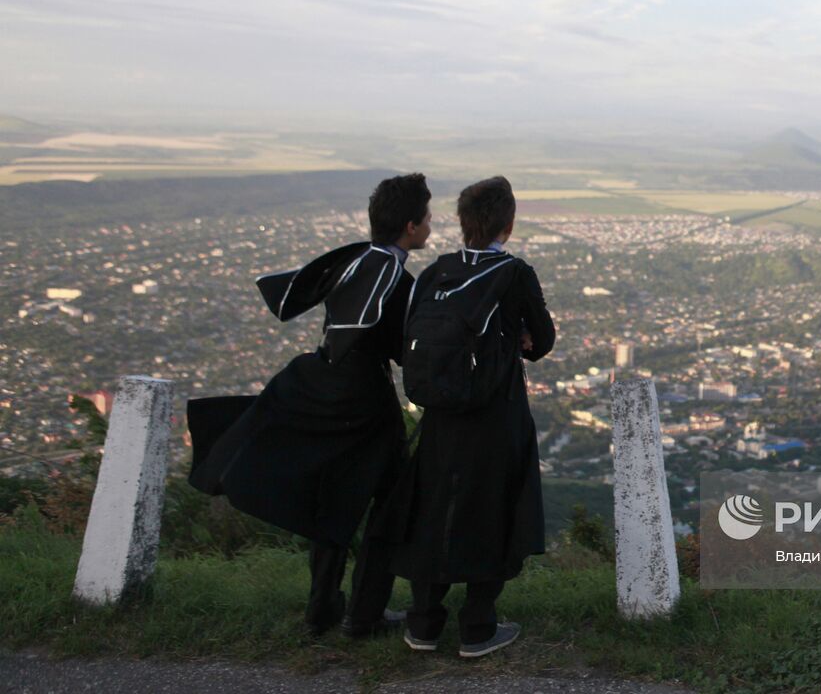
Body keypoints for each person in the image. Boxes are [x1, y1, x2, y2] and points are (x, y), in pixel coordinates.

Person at [186, 173, 433, 636]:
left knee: (331, 502)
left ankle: (322, 608)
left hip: (322, 384)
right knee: (389, 505)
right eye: (428, 218)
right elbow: (402, 350)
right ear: (411, 226)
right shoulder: (396, 280)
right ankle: (364, 614)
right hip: (367, 400)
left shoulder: (354, 261)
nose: (431, 225)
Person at [373, 175, 554, 658]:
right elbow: (545, 340)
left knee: (434, 507)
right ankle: (477, 627)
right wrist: (518, 339)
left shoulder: (436, 273)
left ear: (462, 222)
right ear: (507, 225)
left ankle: (423, 624)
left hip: (442, 415)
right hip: (496, 414)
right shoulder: (513, 274)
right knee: (492, 509)